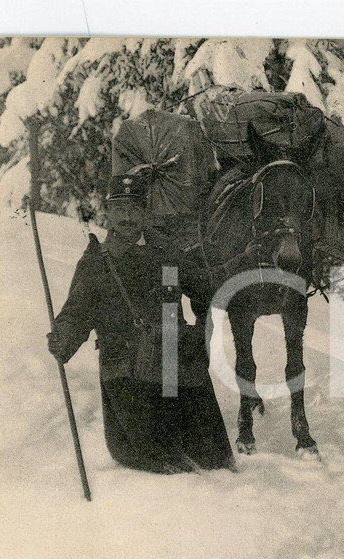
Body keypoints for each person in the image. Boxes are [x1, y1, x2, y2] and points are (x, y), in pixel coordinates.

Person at [47, 174, 256, 474]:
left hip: (174, 366)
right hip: (127, 373)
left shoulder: (165, 250)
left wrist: (239, 265)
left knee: (214, 460)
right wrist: (63, 336)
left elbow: (203, 285)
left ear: (144, 213)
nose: (127, 217)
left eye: (133, 208)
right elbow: (78, 310)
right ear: (108, 213)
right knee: (161, 461)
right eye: (119, 209)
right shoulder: (97, 260)